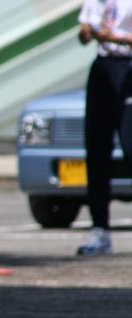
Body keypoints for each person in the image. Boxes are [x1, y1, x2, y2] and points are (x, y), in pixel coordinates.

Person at [77, 0, 132, 256]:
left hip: (128, 68)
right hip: (102, 67)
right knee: (96, 150)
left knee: (130, 145)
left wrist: (118, 38)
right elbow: (83, 35)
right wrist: (87, 33)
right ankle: (100, 229)